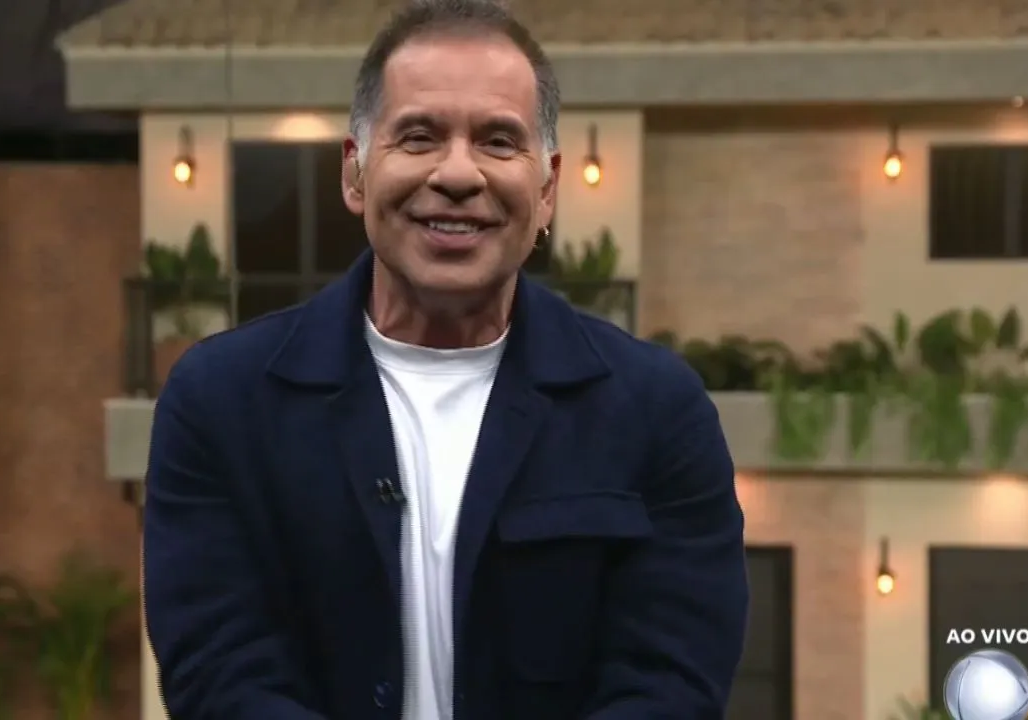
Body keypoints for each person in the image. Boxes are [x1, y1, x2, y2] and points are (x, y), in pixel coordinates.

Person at [142, 0, 750, 717]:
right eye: (419, 136)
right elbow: (220, 677)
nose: (458, 174)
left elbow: (670, 685)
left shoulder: (657, 411)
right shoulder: (220, 403)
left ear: (547, 189)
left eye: (498, 141)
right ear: (355, 173)